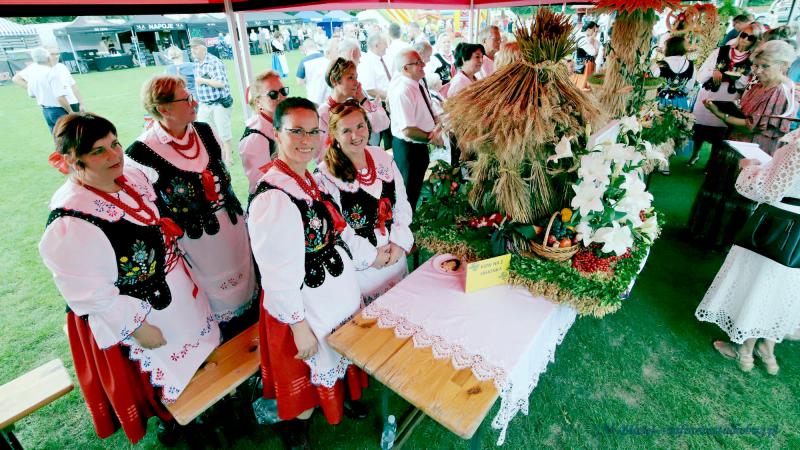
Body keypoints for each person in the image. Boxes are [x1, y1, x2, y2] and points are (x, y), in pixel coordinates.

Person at [40, 113, 220, 444]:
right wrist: (137, 328)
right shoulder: (71, 221)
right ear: (72, 160)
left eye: (115, 144)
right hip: (140, 311)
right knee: (167, 369)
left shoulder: (131, 178)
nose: (114, 155)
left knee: (199, 351)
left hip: (175, 289)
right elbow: (89, 293)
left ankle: (206, 405)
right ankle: (179, 423)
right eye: (98, 151)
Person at [248, 97, 382, 448]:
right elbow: (276, 275)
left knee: (337, 351)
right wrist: (297, 326)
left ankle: (339, 399)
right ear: (277, 133)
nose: (306, 140)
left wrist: (372, 256)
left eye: (312, 131)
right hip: (304, 306)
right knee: (309, 365)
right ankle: (297, 431)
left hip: (333, 290)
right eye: (296, 131)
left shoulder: (310, 178)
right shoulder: (273, 197)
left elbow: (338, 228)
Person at [128, 75, 258, 339]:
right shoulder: (140, 154)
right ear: (164, 109)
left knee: (248, 297)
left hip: (233, 233)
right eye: (186, 99)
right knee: (218, 311)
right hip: (196, 248)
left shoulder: (204, 131)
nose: (194, 102)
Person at [695, 124, 800, 376]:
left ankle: (744, 350)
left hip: (778, 221)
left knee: (757, 284)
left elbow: (770, 190)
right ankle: (767, 349)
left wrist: (748, 168)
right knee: (779, 289)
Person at [689, 40, 797, 249]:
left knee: (737, 195)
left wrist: (720, 113)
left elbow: (752, 126)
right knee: (720, 188)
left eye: (765, 66)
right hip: (735, 145)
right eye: (756, 65)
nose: (758, 71)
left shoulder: (781, 91)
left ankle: (724, 240)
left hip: (753, 152)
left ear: (783, 65)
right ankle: (705, 233)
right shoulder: (758, 84)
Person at [318, 101, 414, 304]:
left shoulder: (381, 156)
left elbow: (401, 203)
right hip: (363, 270)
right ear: (334, 135)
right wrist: (372, 257)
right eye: (346, 131)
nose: (355, 135)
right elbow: (337, 229)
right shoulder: (326, 176)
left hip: (395, 256)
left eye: (360, 126)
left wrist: (399, 243)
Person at [688, 23, 762, 167]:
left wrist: (736, 78)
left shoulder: (752, 59)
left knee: (720, 133)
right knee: (700, 129)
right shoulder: (720, 51)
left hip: (729, 98)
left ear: (755, 41)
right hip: (709, 93)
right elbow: (701, 74)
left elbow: (747, 83)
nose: (745, 39)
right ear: (739, 35)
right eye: (744, 35)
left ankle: (711, 161)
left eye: (751, 38)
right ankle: (695, 154)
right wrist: (714, 72)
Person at [388, 49, 444, 211]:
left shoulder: (417, 84)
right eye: (418, 63)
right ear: (406, 68)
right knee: (407, 193)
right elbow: (408, 130)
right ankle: (403, 223)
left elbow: (428, 109)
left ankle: (408, 220)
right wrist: (431, 137)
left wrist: (438, 123)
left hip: (419, 145)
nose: (423, 65)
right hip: (409, 148)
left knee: (414, 189)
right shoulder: (403, 91)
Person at [318, 58, 389, 155]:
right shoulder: (324, 112)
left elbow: (382, 124)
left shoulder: (357, 104)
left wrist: (362, 99)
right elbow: (322, 152)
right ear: (334, 80)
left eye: (356, 77)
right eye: (350, 77)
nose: (356, 83)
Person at [12, 47, 81, 133]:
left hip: (47, 111)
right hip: (60, 110)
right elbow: (60, 97)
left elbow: (32, 94)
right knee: (72, 135)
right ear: (48, 58)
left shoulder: (33, 74)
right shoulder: (52, 73)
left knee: (57, 136)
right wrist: (70, 111)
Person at [240, 70, 288, 193]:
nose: (281, 97)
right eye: (273, 94)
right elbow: (262, 184)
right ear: (258, 102)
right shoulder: (255, 138)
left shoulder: (281, 122)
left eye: (283, 91)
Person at [189, 38, 234, 165]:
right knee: (207, 132)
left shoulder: (214, 62)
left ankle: (229, 157)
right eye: (192, 48)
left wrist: (203, 81)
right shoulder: (196, 63)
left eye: (196, 48)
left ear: (204, 48)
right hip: (204, 104)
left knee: (223, 131)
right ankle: (218, 154)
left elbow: (221, 83)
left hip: (219, 103)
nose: (193, 51)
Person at [651, 36, 695, 110]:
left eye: (664, 47)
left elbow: (651, 83)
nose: (662, 49)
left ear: (669, 48)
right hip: (680, 102)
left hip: (660, 101)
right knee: (678, 117)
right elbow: (689, 87)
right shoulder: (691, 65)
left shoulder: (659, 64)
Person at [358, 33, 392, 100]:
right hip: (380, 102)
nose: (387, 47)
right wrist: (391, 98)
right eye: (385, 44)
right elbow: (370, 90)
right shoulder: (367, 62)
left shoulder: (383, 58)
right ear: (376, 45)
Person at [573, 21, 601, 92]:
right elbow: (593, 52)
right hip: (585, 64)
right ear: (588, 29)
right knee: (581, 87)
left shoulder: (585, 37)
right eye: (594, 30)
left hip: (584, 63)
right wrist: (592, 39)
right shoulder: (584, 39)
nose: (595, 32)